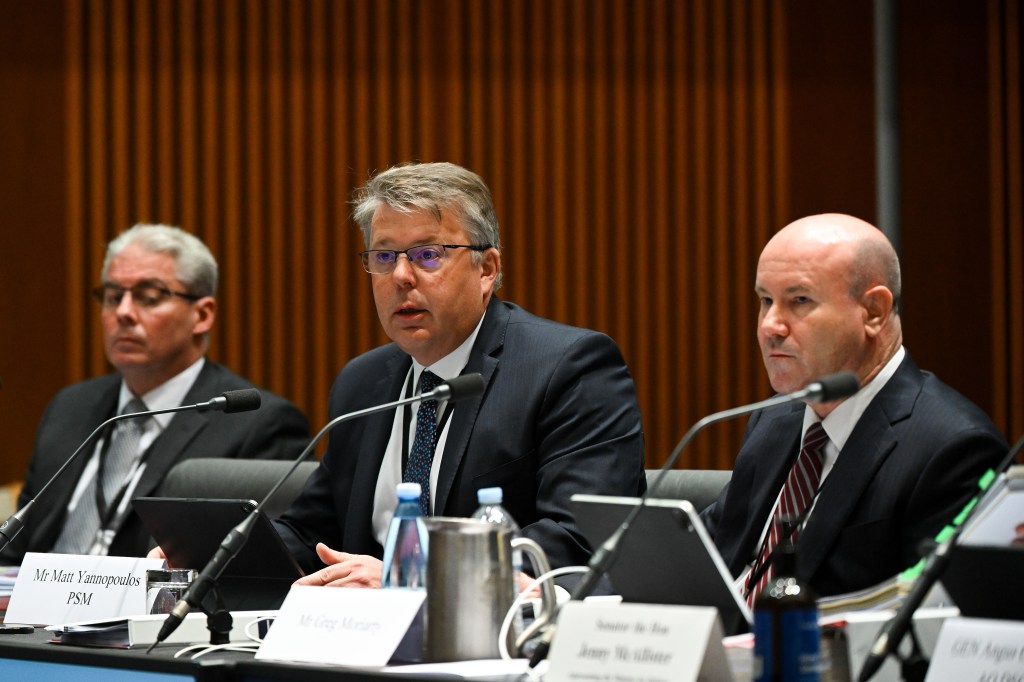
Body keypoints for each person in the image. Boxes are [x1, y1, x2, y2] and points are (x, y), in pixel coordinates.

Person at [274, 161, 646, 588]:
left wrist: (409, 578)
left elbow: (575, 537)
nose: (400, 276)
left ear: (486, 269)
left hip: (504, 624)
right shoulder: (362, 383)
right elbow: (312, 534)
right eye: (384, 256)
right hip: (369, 624)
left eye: (427, 255)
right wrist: (222, 552)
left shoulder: (568, 368)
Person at [701, 213, 1008, 599]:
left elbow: (930, 617)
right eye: (766, 300)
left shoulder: (953, 448)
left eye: (799, 301)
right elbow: (708, 552)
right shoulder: (776, 417)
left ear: (874, 311)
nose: (770, 326)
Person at [0, 224, 310, 564]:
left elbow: (255, 565)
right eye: (113, 296)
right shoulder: (70, 407)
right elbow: (15, 550)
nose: (123, 313)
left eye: (149, 297)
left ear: (202, 315)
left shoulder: (257, 425)